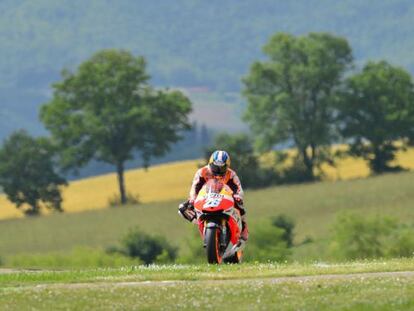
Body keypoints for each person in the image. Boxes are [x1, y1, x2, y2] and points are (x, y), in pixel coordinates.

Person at [180, 150, 248, 241]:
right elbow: (195, 186)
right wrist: (192, 198)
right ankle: (200, 220)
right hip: (205, 197)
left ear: (227, 166)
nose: (218, 171)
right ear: (210, 163)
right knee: (182, 208)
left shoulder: (231, 174)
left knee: (240, 204)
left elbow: (238, 188)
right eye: (215, 167)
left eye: (222, 168)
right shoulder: (202, 172)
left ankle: (244, 227)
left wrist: (238, 196)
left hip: (224, 197)